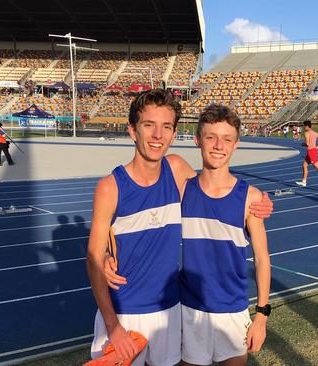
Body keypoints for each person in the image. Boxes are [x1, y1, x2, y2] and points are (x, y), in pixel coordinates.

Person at [87, 90, 273, 365]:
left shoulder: (176, 170)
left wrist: (260, 202)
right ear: (132, 130)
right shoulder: (110, 187)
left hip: (171, 311)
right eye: (148, 125)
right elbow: (92, 256)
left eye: (166, 127)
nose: (157, 135)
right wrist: (102, 257)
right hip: (125, 311)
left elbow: (214, 188)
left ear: (175, 135)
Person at [178, 104, 270, 365]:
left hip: (233, 311)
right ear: (197, 140)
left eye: (227, 139)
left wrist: (261, 317)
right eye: (211, 137)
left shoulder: (250, 198)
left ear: (236, 144)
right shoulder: (183, 190)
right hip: (191, 310)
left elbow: (262, 259)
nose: (219, 145)